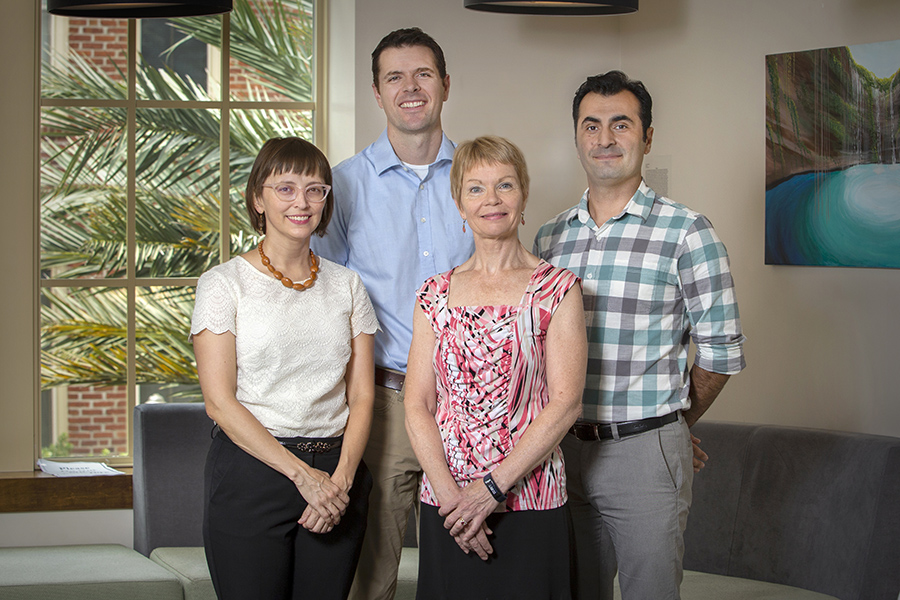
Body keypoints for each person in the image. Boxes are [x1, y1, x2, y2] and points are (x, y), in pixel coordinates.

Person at [534, 71, 746, 600]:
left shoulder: (687, 233)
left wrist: (672, 424)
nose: (605, 139)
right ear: (577, 136)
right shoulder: (548, 236)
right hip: (560, 452)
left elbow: (720, 353)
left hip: (644, 454)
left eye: (621, 125)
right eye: (592, 126)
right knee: (573, 589)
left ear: (647, 137)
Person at [311, 28, 473, 600]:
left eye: (423, 74)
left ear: (446, 85)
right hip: (384, 405)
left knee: (468, 571)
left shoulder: (480, 180)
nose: (410, 88)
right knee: (368, 579)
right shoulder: (342, 185)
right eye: (394, 77)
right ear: (376, 93)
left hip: (470, 408)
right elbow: (320, 298)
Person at [191, 137, 378, 600]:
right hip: (253, 473)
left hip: (339, 474)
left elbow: (362, 396)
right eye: (286, 188)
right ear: (258, 197)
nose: (303, 202)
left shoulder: (347, 285)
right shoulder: (223, 285)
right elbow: (219, 402)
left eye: (316, 189)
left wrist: (340, 481)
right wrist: (303, 477)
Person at [405, 136, 587, 600]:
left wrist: (490, 489)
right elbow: (418, 404)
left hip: (531, 499)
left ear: (523, 196)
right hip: (447, 505)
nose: (492, 200)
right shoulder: (433, 295)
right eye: (476, 188)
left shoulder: (557, 289)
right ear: (458, 203)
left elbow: (566, 404)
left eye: (505, 185)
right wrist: (453, 501)